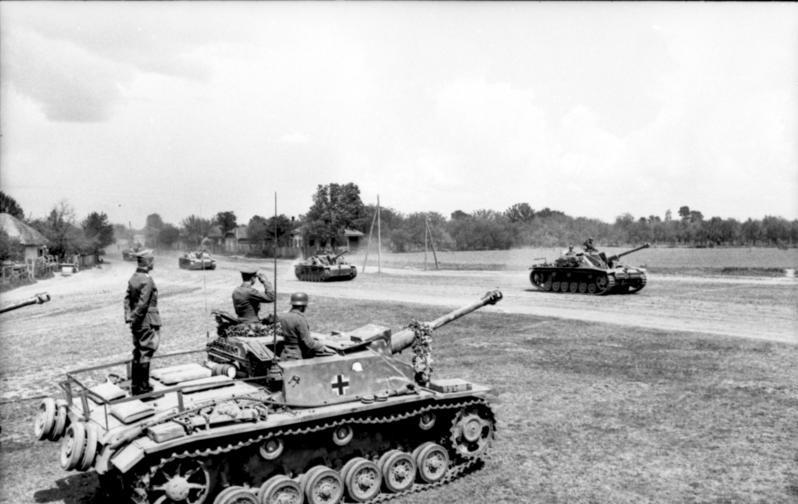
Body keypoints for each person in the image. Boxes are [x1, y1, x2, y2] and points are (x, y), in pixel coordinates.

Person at [124, 251, 161, 395]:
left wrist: (129, 317)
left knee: (138, 351)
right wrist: (136, 318)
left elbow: (127, 299)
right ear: (147, 262)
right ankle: (143, 388)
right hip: (146, 319)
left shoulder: (133, 277)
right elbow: (143, 303)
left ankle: (136, 385)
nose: (153, 263)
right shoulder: (147, 279)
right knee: (146, 351)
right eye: (152, 261)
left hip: (137, 320)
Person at [280, 292, 334, 360]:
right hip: (296, 356)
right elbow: (309, 343)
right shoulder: (299, 319)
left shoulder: (284, 317)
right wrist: (322, 347)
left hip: (285, 354)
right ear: (303, 306)